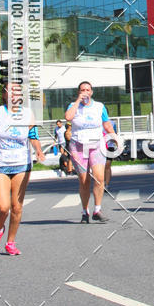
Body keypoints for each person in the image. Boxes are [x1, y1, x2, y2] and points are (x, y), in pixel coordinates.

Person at [0, 85, 44, 255]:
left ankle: (11, 242)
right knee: (3, 207)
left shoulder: (28, 114)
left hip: (22, 164)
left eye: (18, 91)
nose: (14, 94)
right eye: (10, 91)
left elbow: (33, 135)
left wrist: (38, 150)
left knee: (17, 207)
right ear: (4, 95)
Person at [65, 81, 117, 223]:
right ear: (79, 92)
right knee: (84, 181)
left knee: (99, 178)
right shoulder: (73, 106)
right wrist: (77, 102)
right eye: (82, 90)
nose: (85, 92)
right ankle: (84, 211)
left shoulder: (99, 107)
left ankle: (97, 210)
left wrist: (115, 137)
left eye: (88, 90)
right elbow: (68, 117)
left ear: (92, 92)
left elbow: (106, 124)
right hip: (78, 146)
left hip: (96, 145)